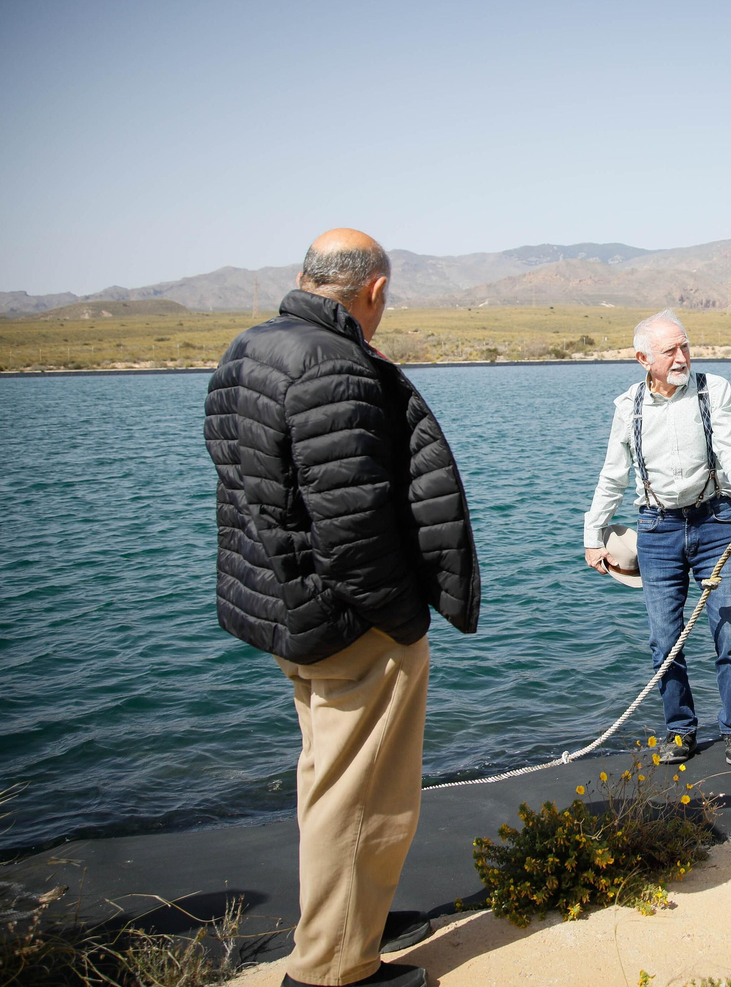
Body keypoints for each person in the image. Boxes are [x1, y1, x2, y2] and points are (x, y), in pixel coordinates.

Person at [205, 229, 480, 987]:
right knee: (365, 800)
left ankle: (342, 923)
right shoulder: (334, 363)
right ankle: (334, 969)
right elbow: (354, 523)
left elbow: (255, 486)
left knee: (327, 782)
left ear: (305, 277)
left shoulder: (249, 347)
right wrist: (403, 618)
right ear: (375, 291)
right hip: (352, 618)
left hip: (289, 606)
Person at [584, 310, 731, 767]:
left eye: (685, 346)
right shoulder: (626, 406)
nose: (682, 357)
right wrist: (593, 534)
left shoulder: (715, 390)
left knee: (730, 631)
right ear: (643, 359)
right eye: (670, 350)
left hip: (718, 522)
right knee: (664, 639)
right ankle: (680, 731)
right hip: (656, 529)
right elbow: (614, 474)